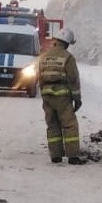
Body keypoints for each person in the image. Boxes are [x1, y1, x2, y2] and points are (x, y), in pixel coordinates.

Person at [36, 27, 83, 164]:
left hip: (47, 95)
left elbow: (39, 77)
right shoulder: (67, 57)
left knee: (52, 125)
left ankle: (55, 156)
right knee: (69, 125)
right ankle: (72, 156)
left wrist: (44, 94)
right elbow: (74, 79)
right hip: (62, 97)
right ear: (67, 43)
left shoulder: (44, 56)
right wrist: (77, 99)